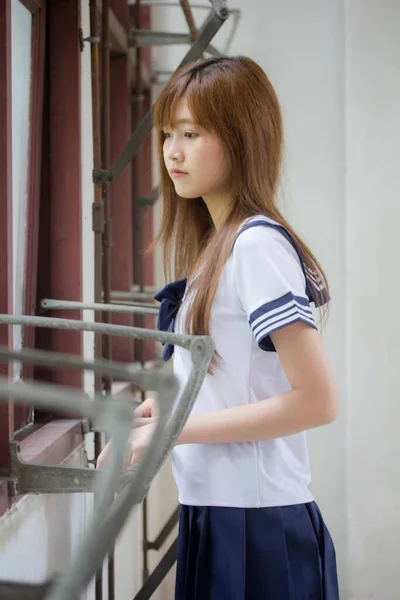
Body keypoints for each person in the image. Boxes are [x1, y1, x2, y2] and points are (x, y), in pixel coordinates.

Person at [98, 56, 340, 599]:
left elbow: (317, 401)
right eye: (167, 134)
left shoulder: (256, 244)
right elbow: (236, 376)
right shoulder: (218, 246)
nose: (172, 152)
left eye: (191, 133)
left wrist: (170, 431)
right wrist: (165, 408)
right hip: (217, 509)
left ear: (240, 138)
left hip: (256, 524)